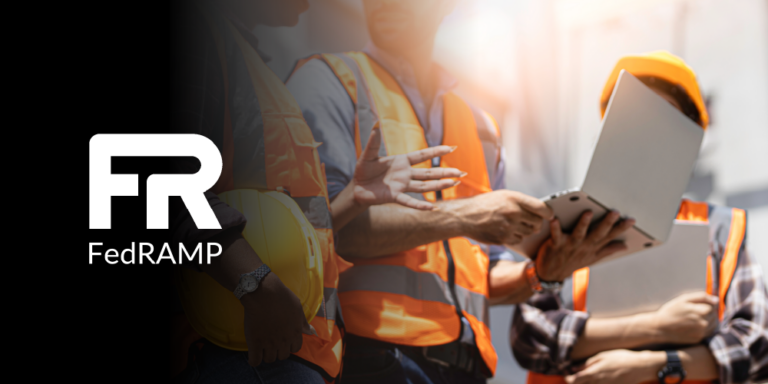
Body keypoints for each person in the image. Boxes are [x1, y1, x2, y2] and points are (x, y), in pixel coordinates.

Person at [286, 0, 634, 382]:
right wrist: (466, 216)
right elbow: (320, 231)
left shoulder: (480, 128)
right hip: (370, 358)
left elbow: (481, 274)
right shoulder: (329, 82)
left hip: (464, 367)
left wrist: (542, 274)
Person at [169, 0, 466, 382]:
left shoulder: (250, 62)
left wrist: (351, 199)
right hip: (232, 348)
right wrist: (254, 282)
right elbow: (163, 185)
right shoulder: (197, 35)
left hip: (283, 348)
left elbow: (279, 224)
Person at [510, 51, 768, 384]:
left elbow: (756, 345)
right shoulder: (568, 220)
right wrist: (659, 326)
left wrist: (652, 366)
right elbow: (529, 337)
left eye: (664, 118)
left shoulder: (721, 229)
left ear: (689, 140)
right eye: (634, 115)